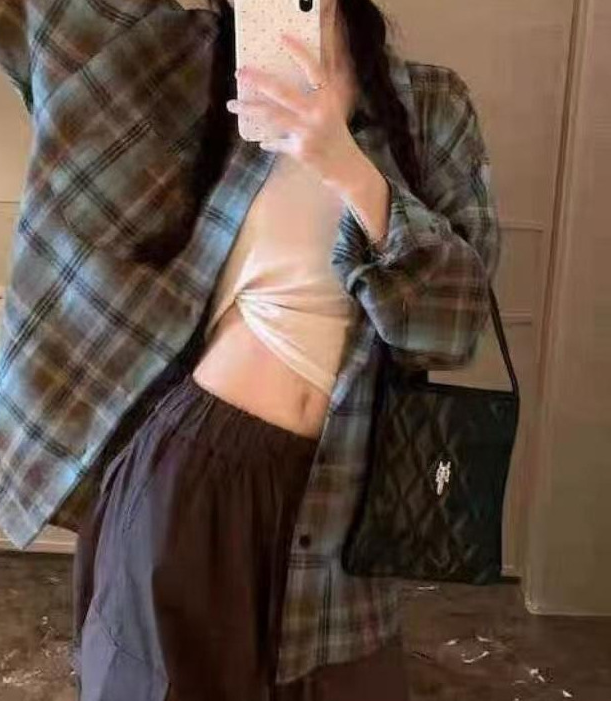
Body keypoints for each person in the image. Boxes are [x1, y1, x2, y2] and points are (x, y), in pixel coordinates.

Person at [71, 0, 501, 700]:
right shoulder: (192, 85)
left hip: (348, 498)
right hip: (195, 480)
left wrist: (346, 167)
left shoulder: (431, 105)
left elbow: (455, 328)